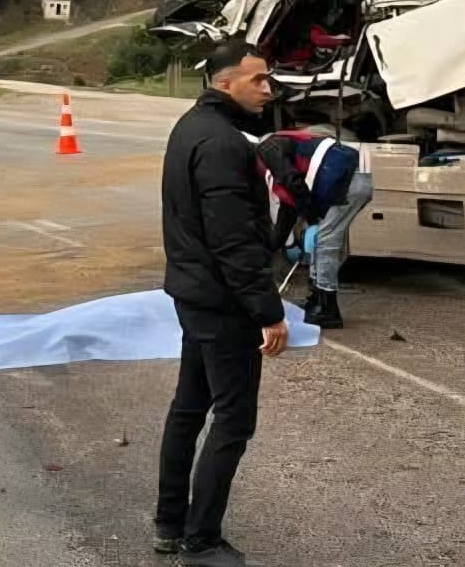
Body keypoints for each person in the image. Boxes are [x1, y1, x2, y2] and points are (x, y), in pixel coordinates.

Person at [155, 40, 288, 567]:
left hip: (194, 295)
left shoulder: (189, 127)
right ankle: (201, 540)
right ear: (225, 82)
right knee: (233, 420)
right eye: (258, 80)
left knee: (189, 408)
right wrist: (268, 311)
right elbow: (234, 243)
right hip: (224, 303)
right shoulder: (224, 144)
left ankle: (170, 523)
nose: (268, 90)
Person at [256, 129, 374, 328]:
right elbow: (289, 208)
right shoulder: (270, 159)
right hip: (342, 178)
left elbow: (293, 182)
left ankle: (328, 310)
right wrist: (274, 245)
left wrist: (311, 219)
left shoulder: (268, 149)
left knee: (326, 242)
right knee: (323, 240)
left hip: (347, 179)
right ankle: (317, 299)